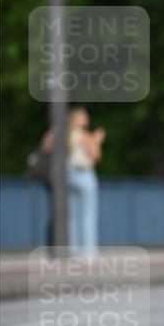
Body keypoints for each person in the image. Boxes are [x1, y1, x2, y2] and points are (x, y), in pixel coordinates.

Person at [66, 106, 104, 256]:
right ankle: (89, 253)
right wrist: (97, 140)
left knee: (72, 216)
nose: (87, 118)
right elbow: (95, 156)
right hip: (84, 175)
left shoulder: (64, 135)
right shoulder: (84, 135)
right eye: (84, 116)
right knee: (88, 214)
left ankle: (73, 251)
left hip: (68, 175)